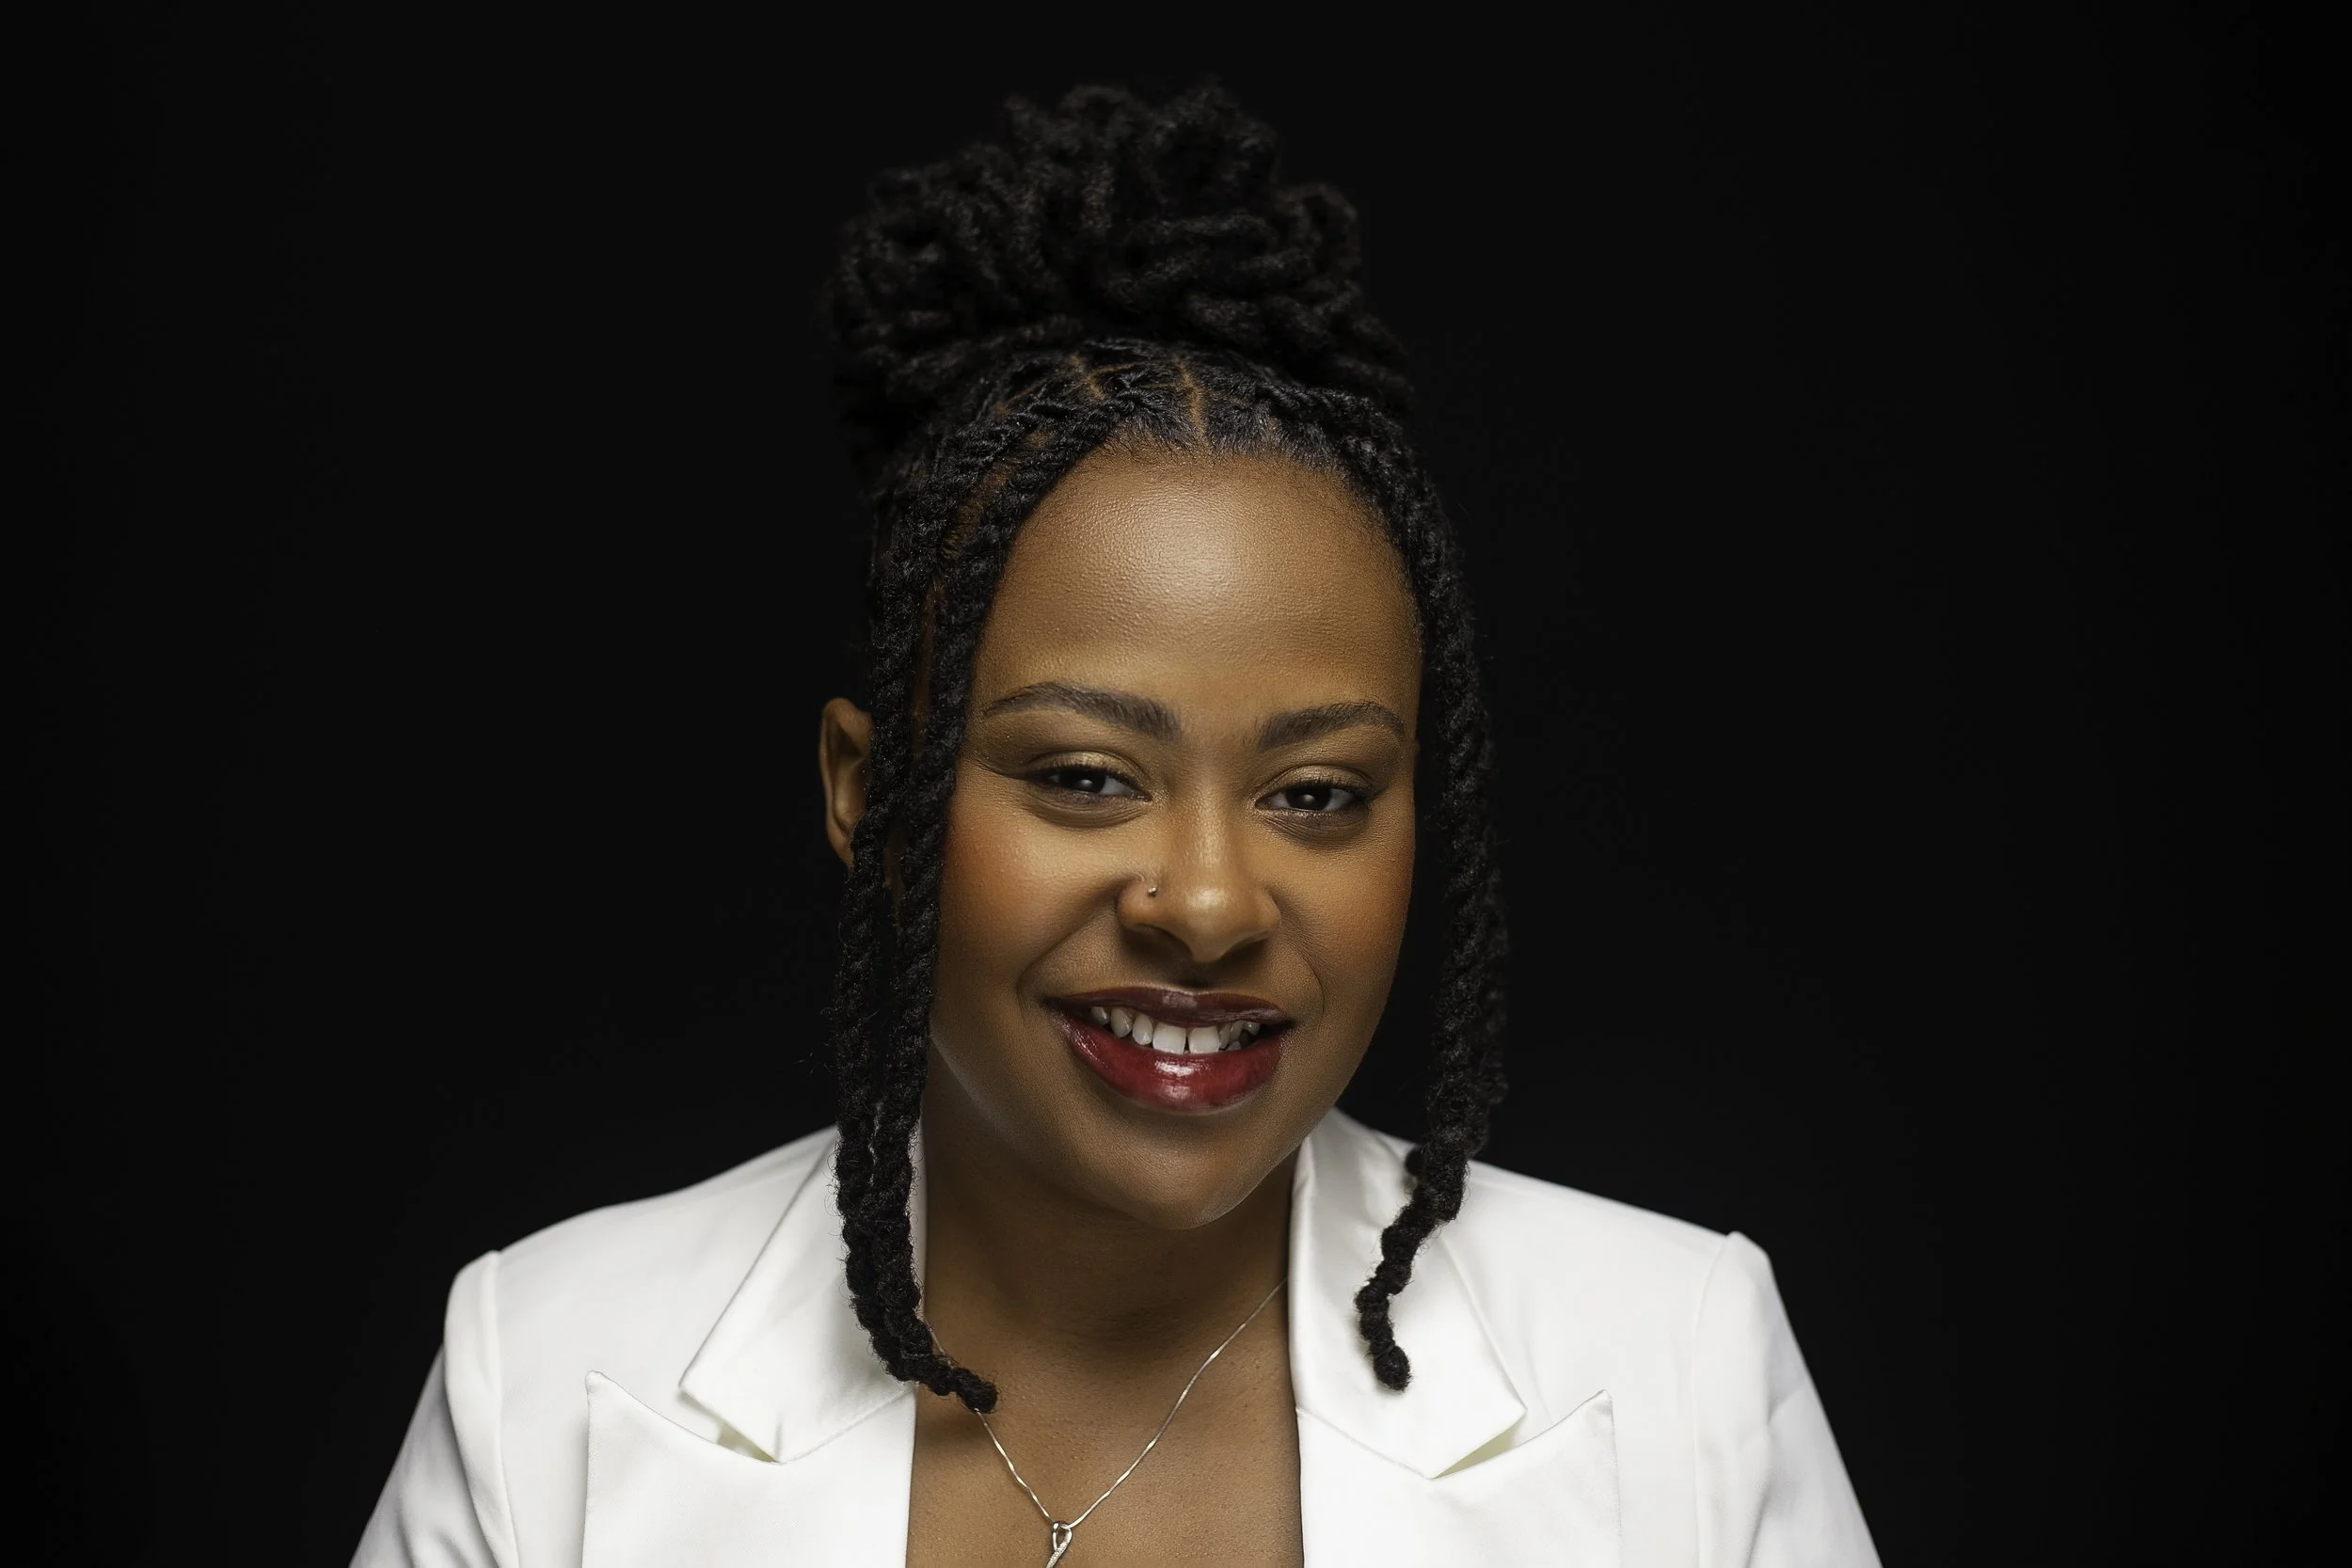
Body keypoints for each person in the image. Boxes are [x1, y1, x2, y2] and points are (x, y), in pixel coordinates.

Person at [354, 83, 1879, 1567]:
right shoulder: (546, 1375)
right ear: (866, 794)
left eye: (1316, 794)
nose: (1207, 902)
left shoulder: (1679, 1364)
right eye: (1087, 776)